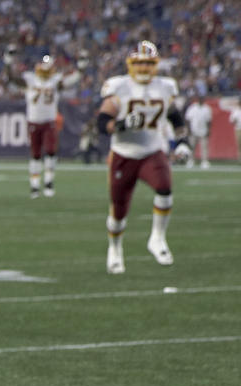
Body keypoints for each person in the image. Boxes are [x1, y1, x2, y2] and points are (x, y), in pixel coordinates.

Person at [95, 41, 191, 275]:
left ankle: (157, 238)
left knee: (165, 188)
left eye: (148, 63)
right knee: (119, 209)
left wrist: (183, 142)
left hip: (152, 151)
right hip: (123, 154)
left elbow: (175, 118)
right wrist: (121, 124)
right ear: (131, 64)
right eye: (140, 63)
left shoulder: (165, 87)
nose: (144, 68)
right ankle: (115, 250)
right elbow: (101, 123)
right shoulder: (119, 87)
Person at [4, 50, 80, 198]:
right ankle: (34, 185)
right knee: (35, 154)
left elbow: (71, 80)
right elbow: (11, 78)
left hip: (49, 121)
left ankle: (49, 182)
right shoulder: (30, 79)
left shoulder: (55, 81)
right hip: (34, 121)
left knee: (51, 152)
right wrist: (8, 63)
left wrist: (81, 69)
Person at [184, 94, 213, 168]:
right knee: (192, 146)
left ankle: (204, 161)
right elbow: (188, 119)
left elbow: (209, 121)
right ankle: (191, 160)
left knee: (204, 147)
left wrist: (209, 130)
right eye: (200, 99)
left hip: (203, 130)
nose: (201, 100)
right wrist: (189, 129)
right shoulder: (193, 108)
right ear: (198, 99)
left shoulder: (207, 108)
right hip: (194, 130)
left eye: (202, 99)